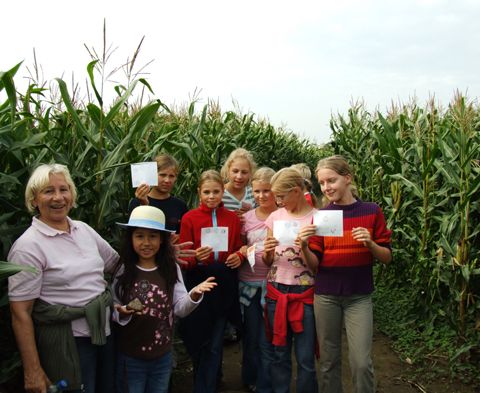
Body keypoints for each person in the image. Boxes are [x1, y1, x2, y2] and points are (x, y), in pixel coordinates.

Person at [8, 163, 119, 393]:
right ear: (34, 199)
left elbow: (117, 265)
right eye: (48, 191)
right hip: (68, 343)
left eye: (64, 189)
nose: (58, 197)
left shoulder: (83, 230)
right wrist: (33, 370)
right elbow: (20, 312)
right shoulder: (28, 247)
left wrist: (162, 255)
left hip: (104, 333)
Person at [299, 155, 392, 393]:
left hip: (359, 296)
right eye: (322, 183)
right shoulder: (321, 216)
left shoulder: (371, 211)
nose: (326, 187)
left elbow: (387, 257)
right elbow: (314, 266)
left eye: (332, 180)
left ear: (347, 178)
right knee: (329, 361)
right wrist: (304, 246)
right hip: (326, 295)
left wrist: (371, 244)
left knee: (361, 363)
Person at [112, 205, 217, 393]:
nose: (146, 242)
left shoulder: (170, 268)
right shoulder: (124, 270)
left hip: (162, 356)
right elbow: (114, 304)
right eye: (140, 236)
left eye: (153, 236)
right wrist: (121, 311)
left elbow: (179, 308)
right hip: (131, 356)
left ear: (162, 240)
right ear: (131, 239)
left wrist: (194, 294)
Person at [178, 170, 244, 393]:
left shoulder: (232, 219)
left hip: (223, 283)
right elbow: (184, 260)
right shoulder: (189, 218)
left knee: (215, 342)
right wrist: (195, 258)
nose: (211, 196)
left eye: (216, 192)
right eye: (206, 192)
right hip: (198, 281)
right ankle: (206, 381)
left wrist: (238, 257)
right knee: (200, 339)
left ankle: (207, 386)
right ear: (199, 193)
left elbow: (237, 249)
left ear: (223, 192)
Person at [262, 168, 318, 393]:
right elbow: (268, 262)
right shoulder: (275, 217)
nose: (277, 201)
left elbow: (316, 266)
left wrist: (303, 245)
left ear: (296, 191)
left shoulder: (316, 218)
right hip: (276, 291)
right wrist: (267, 251)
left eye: (281, 197)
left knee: (305, 356)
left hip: (304, 294)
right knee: (279, 352)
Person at [238, 167, 277, 393]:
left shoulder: (283, 216)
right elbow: (239, 244)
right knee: (251, 336)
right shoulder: (246, 218)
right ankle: (250, 377)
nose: (262, 196)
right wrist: (242, 249)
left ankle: (265, 383)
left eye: (267, 191)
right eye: (257, 191)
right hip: (248, 284)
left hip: (273, 285)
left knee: (267, 338)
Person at [129, 154, 188, 238]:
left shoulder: (180, 205)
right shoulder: (137, 203)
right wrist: (144, 205)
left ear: (176, 178)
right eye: (162, 175)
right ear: (152, 175)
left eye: (171, 176)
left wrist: (180, 237)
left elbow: (185, 234)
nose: (167, 180)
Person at [220, 147, 256, 217]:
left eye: (244, 172)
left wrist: (252, 213)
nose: (239, 176)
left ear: (250, 173)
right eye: (235, 171)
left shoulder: (253, 193)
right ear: (228, 170)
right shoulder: (219, 193)